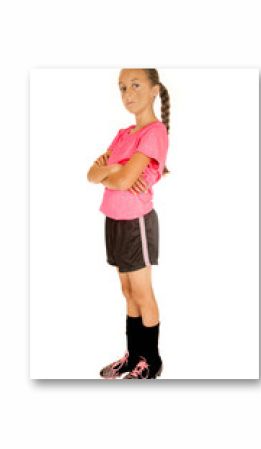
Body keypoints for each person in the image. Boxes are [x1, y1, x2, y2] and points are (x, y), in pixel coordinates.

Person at [87, 68, 170, 379]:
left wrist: (114, 170)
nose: (127, 93)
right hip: (114, 219)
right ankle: (134, 355)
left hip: (136, 223)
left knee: (142, 292)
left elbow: (119, 179)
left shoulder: (154, 133)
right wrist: (117, 170)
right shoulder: (124, 134)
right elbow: (91, 174)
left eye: (135, 85)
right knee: (127, 290)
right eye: (122, 87)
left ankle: (151, 360)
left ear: (153, 90)